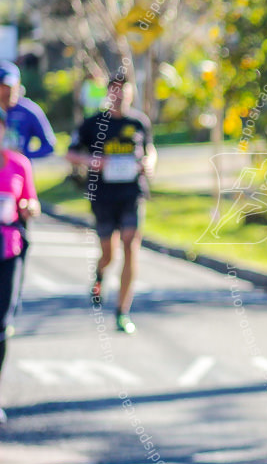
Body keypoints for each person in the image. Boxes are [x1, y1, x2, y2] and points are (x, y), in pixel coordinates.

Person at [66, 75, 156, 334]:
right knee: (109, 253)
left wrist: (150, 163)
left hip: (132, 194)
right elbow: (71, 153)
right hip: (103, 196)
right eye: (114, 92)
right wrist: (93, 161)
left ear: (131, 93)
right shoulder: (93, 123)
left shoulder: (139, 122)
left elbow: (150, 150)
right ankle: (99, 276)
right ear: (108, 94)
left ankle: (122, 311)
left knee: (130, 244)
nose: (119, 96)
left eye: (123, 91)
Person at [0, 111, 41, 424]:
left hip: (9, 250)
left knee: (2, 323)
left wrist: (27, 208)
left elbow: (32, 203)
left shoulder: (19, 165)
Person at [0, 62, 57, 160]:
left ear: (18, 84)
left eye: (11, 86)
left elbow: (49, 145)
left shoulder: (29, 111)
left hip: (18, 172)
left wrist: (24, 155)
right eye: (3, 87)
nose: (8, 91)